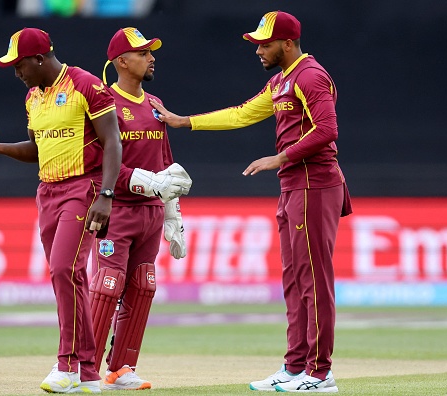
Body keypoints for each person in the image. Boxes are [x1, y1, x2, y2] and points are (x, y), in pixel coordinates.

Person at [0, 27, 189, 394]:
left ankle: (67, 365)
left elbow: (112, 142)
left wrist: (106, 193)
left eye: (19, 65)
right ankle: (87, 371)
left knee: (64, 269)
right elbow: (38, 148)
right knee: (71, 278)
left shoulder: (85, 85)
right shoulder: (34, 98)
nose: (16, 73)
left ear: (38, 59)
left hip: (82, 189)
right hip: (47, 191)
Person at [150, 10, 352, 393]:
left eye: (265, 43)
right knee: (293, 280)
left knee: (314, 281)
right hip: (294, 185)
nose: (258, 50)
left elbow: (328, 129)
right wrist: (184, 121)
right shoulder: (281, 82)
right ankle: (294, 367)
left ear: (287, 43)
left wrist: (281, 157)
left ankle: (320, 373)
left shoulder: (310, 76)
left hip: (315, 184)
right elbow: (241, 114)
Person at [88, 27, 190, 391]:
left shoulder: (155, 104)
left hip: (150, 215)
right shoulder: (104, 104)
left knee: (143, 286)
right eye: (143, 53)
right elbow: (102, 163)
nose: (151, 58)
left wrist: (173, 215)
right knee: (107, 287)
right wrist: (151, 184)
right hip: (116, 212)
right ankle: (84, 369)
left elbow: (168, 168)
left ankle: (122, 368)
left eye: (150, 52)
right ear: (121, 61)